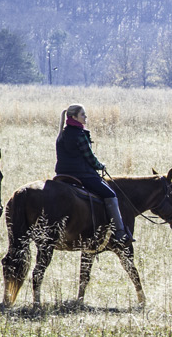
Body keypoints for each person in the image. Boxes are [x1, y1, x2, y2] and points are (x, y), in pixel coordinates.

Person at [54, 104, 129, 245]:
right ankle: (120, 232)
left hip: (62, 174)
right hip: (82, 175)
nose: (85, 117)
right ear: (74, 117)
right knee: (111, 195)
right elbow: (90, 158)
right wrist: (101, 166)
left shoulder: (62, 134)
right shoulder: (80, 135)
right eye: (82, 114)